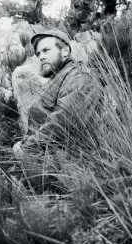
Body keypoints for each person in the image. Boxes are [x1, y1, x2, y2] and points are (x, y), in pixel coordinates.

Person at [13, 28, 98, 158]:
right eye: (38, 53)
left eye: (46, 50)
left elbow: (63, 123)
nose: (41, 57)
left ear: (64, 51)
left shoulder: (78, 77)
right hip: (47, 160)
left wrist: (25, 147)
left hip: (72, 166)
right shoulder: (58, 80)